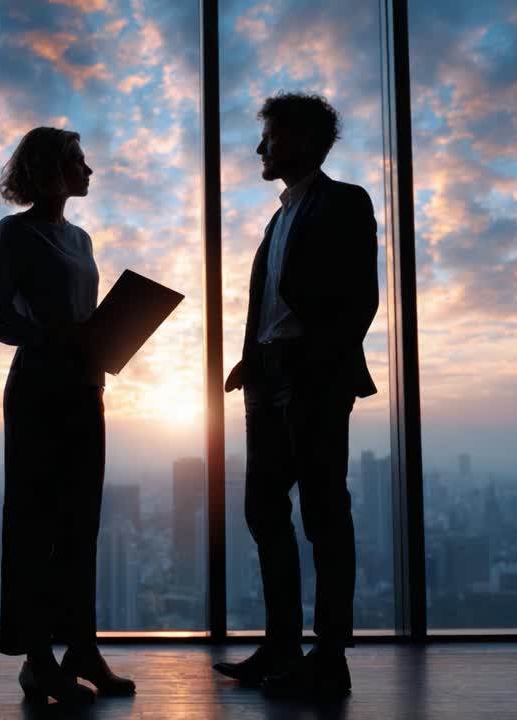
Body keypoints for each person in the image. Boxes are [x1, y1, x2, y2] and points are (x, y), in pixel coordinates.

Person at [213, 93, 379, 699]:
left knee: (323, 517)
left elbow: (361, 299)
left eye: (271, 138)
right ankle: (283, 646)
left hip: (314, 378)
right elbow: (270, 307)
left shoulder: (344, 202)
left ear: (303, 142)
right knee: (264, 511)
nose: (261, 149)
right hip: (269, 380)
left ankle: (328, 656)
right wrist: (252, 361)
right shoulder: (278, 219)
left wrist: (316, 362)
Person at [0, 127, 135, 706]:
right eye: (79, 160)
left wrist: (101, 339)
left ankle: (81, 649)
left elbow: (81, 317)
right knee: (34, 524)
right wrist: (55, 336)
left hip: (84, 388)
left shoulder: (83, 239)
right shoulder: (13, 234)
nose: (90, 170)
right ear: (52, 169)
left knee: (80, 525)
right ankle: (38, 660)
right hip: (39, 391)